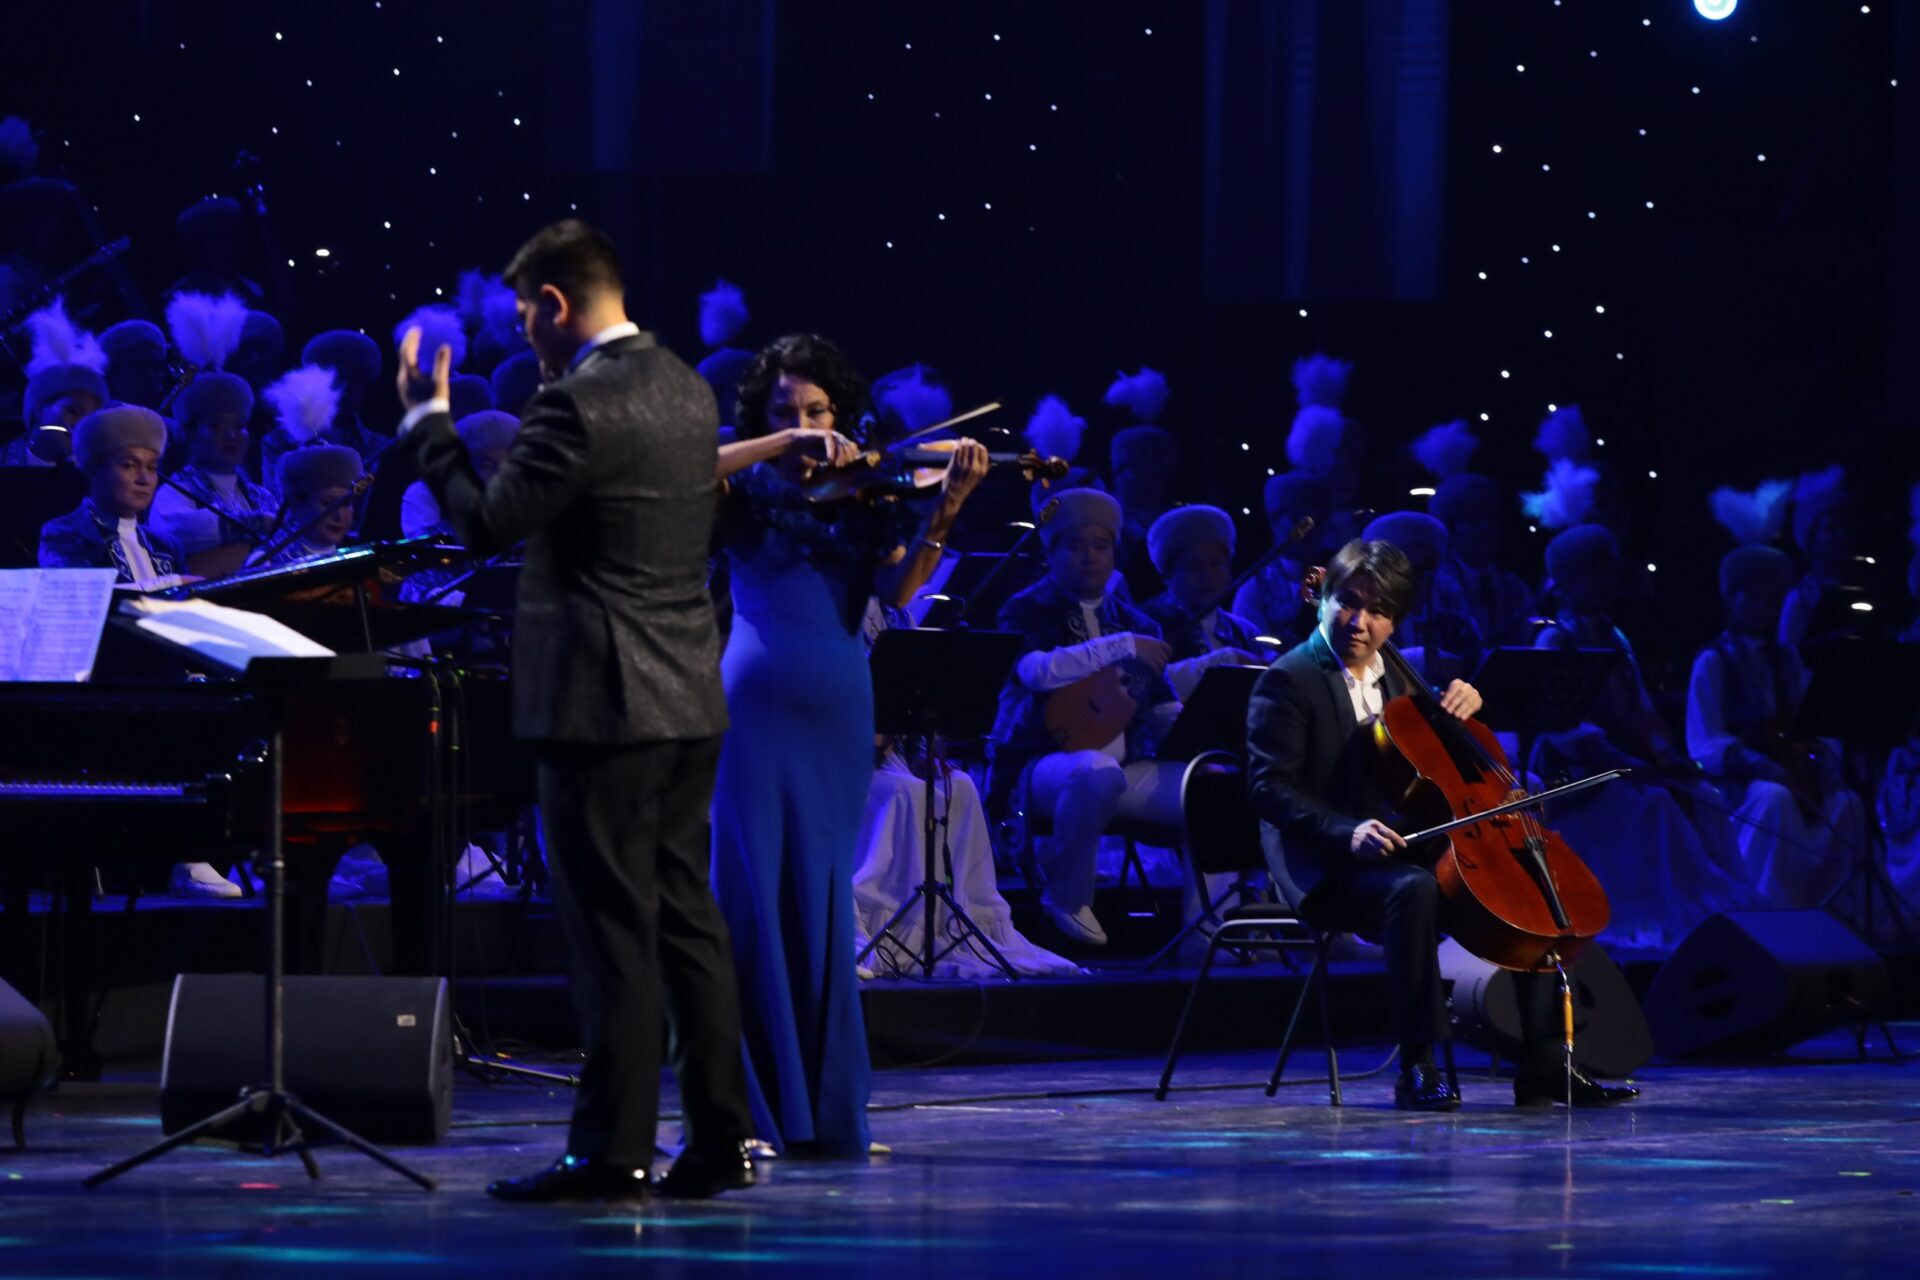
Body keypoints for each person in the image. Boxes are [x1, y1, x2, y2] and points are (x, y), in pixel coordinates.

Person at [396, 218, 755, 1202]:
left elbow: (485, 523)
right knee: (687, 920)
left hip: (601, 702)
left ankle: (610, 1151)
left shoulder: (577, 400)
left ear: (555, 303)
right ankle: (719, 1140)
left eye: (526, 317)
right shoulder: (685, 386)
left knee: (610, 934)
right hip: (688, 690)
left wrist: (429, 422)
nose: (526, 336)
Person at [708, 332, 989, 1159]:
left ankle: (827, 1113)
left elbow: (898, 592)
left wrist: (945, 510)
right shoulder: (740, 484)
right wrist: (779, 445)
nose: (805, 425)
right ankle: (755, 1113)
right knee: (751, 898)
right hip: (753, 700)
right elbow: (685, 468)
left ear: (842, 414)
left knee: (823, 899)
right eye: (786, 411)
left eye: (817, 410)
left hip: (839, 698)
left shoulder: (865, 492)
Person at [1246, 539, 1638, 1110]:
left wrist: (1469, 706)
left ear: (1396, 621)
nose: (1359, 622)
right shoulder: (1290, 680)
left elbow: (1439, 770)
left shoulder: (1402, 681)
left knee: (1522, 881)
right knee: (1416, 890)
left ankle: (1544, 1067)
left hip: (1404, 843)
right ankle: (1418, 1065)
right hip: (1326, 862)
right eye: (1347, 602)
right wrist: (1345, 831)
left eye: (1379, 611)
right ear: (1323, 598)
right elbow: (1267, 788)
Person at [37, 405, 238, 900]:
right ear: (94, 468)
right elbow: (77, 600)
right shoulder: (65, 532)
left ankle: (200, 851)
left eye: (151, 467)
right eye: (129, 465)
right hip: (105, 681)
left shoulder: (164, 543)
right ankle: (181, 856)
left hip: (165, 676)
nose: (145, 478)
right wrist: (164, 593)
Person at [1528, 525, 1756, 947]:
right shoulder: (1555, 637)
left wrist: (1665, 756)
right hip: (1573, 770)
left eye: (1610, 570)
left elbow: (1639, 707)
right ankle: (1647, 911)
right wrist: (1618, 760)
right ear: (1568, 579)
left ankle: (1722, 908)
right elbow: (1559, 726)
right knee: (1654, 804)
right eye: (1596, 571)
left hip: (1622, 762)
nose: (1608, 581)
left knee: (1703, 795)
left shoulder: (1615, 637)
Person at [989, 489, 1196, 947]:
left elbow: (1163, 708)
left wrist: (1203, 734)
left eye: (1100, 546)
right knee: (1096, 772)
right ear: (1051, 552)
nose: (1089, 557)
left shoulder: (1139, 622)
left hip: (1127, 767)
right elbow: (1036, 671)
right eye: (1075, 545)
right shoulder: (1024, 609)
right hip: (1042, 764)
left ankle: (1206, 926)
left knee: (1206, 786)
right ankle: (1067, 897)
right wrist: (1122, 646)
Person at [852, 601, 1079, 979]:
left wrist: (922, 751)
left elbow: (911, 698)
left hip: (890, 758)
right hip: (842, 759)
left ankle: (947, 924)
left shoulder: (896, 616)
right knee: (905, 793)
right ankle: (886, 929)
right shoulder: (831, 605)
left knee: (960, 785)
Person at [1686, 544, 1866, 908]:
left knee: (1847, 802)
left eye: (1772, 598)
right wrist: (1762, 765)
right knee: (1773, 798)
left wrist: (1820, 760)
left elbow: (1810, 720)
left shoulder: (1788, 659)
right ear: (1731, 597)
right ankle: (1763, 908)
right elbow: (1704, 741)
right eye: (1754, 596)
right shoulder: (1712, 660)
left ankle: (1837, 912)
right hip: (1737, 783)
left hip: (1794, 772)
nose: (1764, 606)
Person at [150, 369, 278, 565]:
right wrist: (255, 523)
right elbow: (172, 533)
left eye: (239, 426)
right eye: (216, 426)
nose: (231, 436)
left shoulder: (261, 497)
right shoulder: (176, 492)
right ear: (191, 436)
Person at [1137, 504, 1269, 691]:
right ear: (1168, 575)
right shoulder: (1144, 624)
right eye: (1193, 566)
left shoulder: (1244, 632)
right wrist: (1227, 658)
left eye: (1215, 564)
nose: (1206, 576)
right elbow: (1139, 685)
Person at [1232, 470, 1335, 645]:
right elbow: (1250, 647)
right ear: (1275, 521)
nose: (1308, 530)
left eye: (1316, 520)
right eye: (1297, 519)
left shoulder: (1342, 574)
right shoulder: (1256, 587)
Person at [250, 445, 361, 567]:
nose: (338, 516)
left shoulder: (360, 554)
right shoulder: (267, 561)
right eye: (327, 503)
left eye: (346, 504)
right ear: (296, 505)